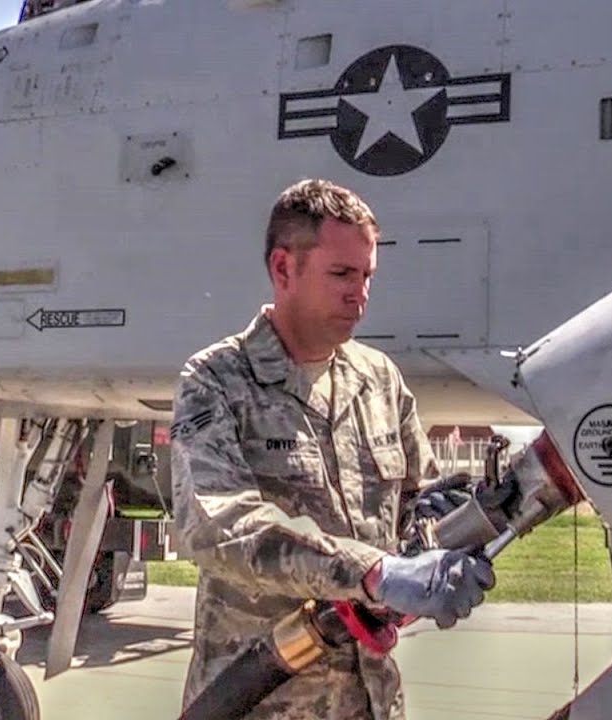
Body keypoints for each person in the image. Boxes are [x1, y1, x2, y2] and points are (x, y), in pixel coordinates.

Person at [170, 179, 495, 719]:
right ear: (283, 269)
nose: (359, 293)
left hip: (370, 701)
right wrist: (375, 573)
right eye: (342, 274)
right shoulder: (217, 381)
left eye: (367, 276)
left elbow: (416, 506)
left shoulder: (379, 380)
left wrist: (451, 536)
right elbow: (221, 525)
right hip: (261, 701)